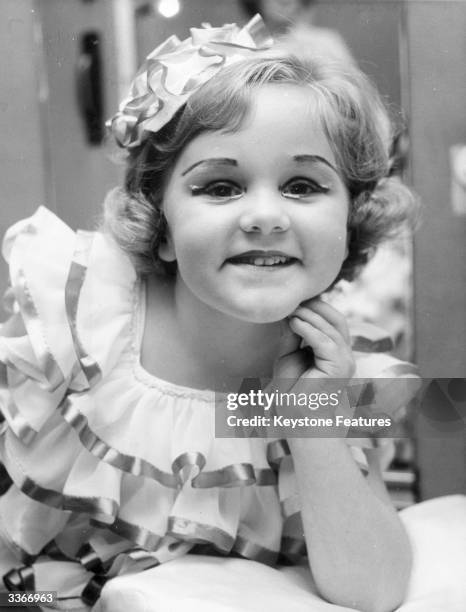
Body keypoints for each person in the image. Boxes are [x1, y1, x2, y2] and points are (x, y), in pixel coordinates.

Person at [0, 15, 420, 612]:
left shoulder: (344, 369)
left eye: (303, 185)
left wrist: (311, 420)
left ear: (350, 224)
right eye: (221, 188)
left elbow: (374, 591)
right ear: (160, 227)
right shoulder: (82, 331)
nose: (266, 216)